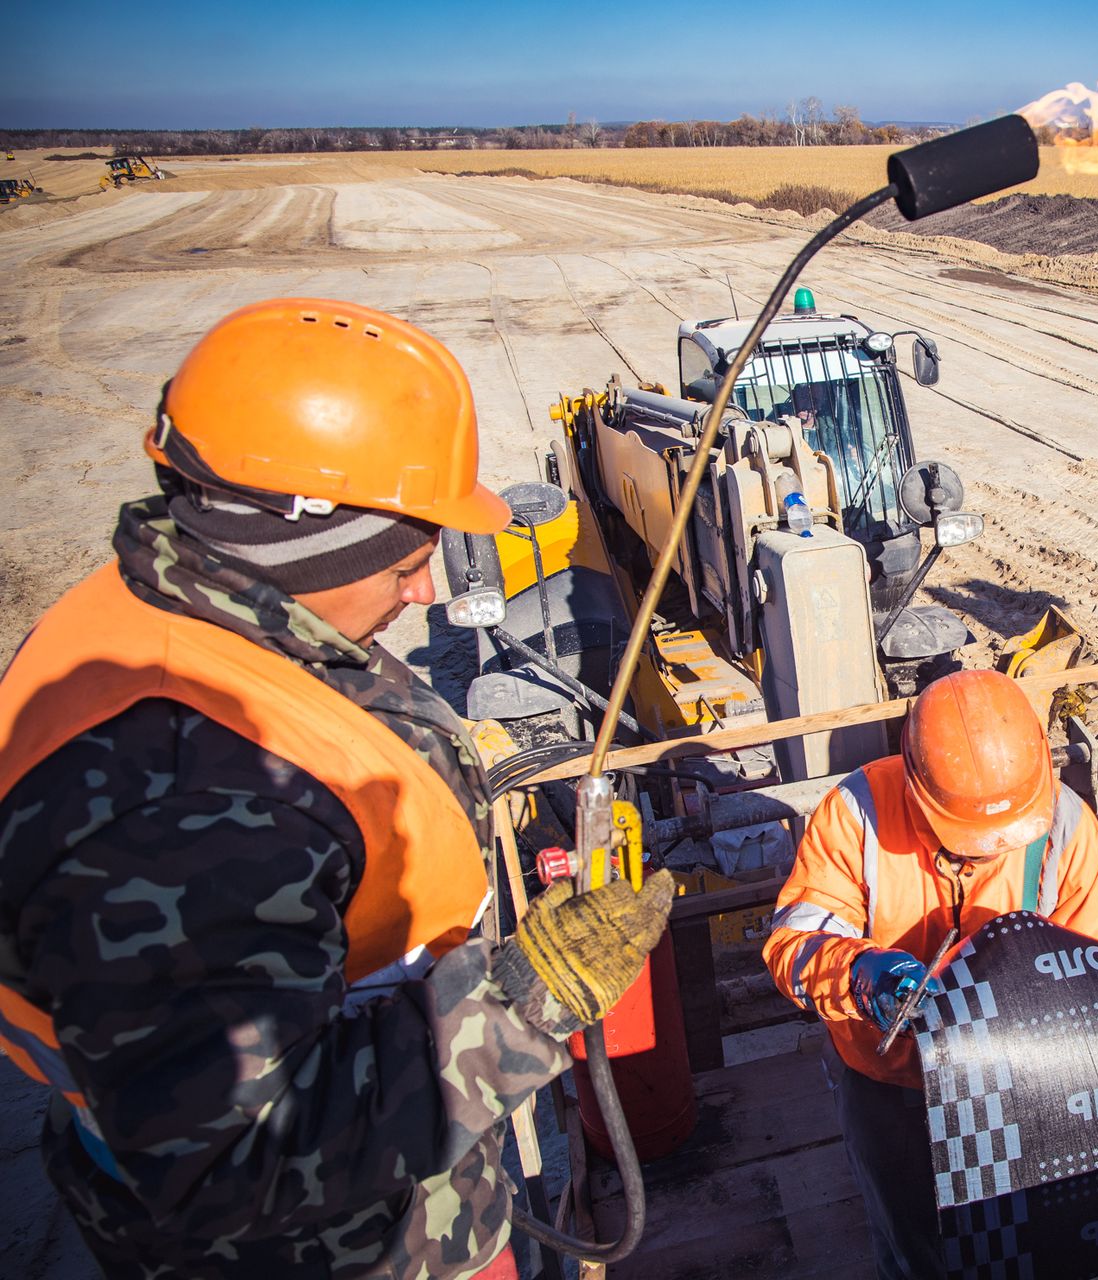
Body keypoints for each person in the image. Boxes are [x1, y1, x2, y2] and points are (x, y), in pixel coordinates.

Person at [0, 298, 674, 1278]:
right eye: (402, 563)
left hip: (406, 1185)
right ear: (304, 543)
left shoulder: (182, 607)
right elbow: (237, 1156)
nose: (419, 593)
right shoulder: (175, 812)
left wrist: (439, 758)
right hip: (349, 1249)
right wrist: (529, 998)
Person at [763, 669, 1098, 1279]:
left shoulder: (1065, 826)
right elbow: (794, 948)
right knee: (912, 1242)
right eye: (966, 840)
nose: (985, 853)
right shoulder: (856, 815)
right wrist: (862, 974)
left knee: (1026, 1241)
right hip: (890, 1082)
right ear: (914, 785)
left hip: (1021, 1087)